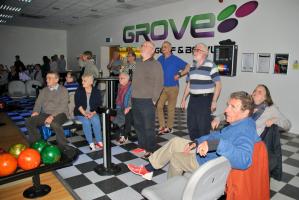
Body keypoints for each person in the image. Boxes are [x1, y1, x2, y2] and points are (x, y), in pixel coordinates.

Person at [127, 91, 260, 180]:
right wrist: (197, 142)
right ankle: (148, 169)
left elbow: (245, 161)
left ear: (246, 112)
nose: (226, 110)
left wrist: (217, 144)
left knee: (176, 158)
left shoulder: (246, 130)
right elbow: (215, 136)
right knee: (175, 142)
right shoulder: (239, 123)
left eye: (232, 107)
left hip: (207, 161)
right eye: (228, 106)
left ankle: (172, 192)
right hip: (207, 152)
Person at [212, 84, 291, 136]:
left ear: (265, 97)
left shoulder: (271, 109)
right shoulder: (248, 105)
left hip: (252, 141)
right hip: (237, 133)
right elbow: (230, 113)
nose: (255, 93)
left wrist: (275, 120)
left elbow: (287, 125)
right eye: (254, 91)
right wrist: (217, 118)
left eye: (259, 92)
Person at [181, 43, 222, 140]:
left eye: (197, 50)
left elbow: (218, 85)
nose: (194, 52)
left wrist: (214, 101)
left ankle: (203, 149)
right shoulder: (191, 66)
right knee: (191, 125)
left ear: (205, 53)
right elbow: (189, 84)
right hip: (193, 99)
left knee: (203, 127)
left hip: (205, 99)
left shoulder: (211, 65)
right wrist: (183, 99)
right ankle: (194, 146)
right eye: (194, 50)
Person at [131, 41, 163, 158]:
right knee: (138, 125)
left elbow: (159, 83)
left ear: (152, 50)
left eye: (145, 46)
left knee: (148, 127)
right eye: (142, 45)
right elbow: (129, 77)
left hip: (147, 100)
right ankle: (142, 146)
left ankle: (151, 149)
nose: (142, 47)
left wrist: (154, 99)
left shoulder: (156, 64)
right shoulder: (137, 63)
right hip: (135, 99)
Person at [25, 71, 69, 150]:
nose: (47, 80)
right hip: (46, 113)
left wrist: (52, 116)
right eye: (46, 78)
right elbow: (38, 103)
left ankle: (63, 146)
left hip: (61, 113)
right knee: (29, 121)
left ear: (56, 80)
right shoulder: (44, 90)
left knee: (54, 124)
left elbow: (63, 106)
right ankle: (37, 144)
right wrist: (36, 111)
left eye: (49, 78)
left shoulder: (63, 90)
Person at [157, 41, 190, 135]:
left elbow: (188, 66)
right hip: (163, 87)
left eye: (165, 46)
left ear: (170, 48)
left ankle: (170, 127)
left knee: (170, 108)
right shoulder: (160, 59)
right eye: (162, 47)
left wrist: (180, 74)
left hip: (173, 88)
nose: (163, 48)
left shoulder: (175, 59)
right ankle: (162, 126)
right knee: (159, 106)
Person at [74, 73, 103, 151]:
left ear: (91, 82)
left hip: (92, 112)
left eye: (84, 81)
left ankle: (99, 141)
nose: (82, 82)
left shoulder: (96, 91)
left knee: (96, 120)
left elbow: (98, 104)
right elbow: (78, 105)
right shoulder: (79, 90)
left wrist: (92, 113)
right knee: (86, 122)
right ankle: (90, 142)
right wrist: (85, 114)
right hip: (80, 113)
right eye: (82, 80)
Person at [112, 72, 133, 144]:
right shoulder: (119, 86)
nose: (119, 80)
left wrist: (128, 107)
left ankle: (124, 135)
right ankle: (121, 134)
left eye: (122, 78)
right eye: (119, 78)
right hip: (120, 105)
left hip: (130, 107)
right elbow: (119, 97)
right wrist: (118, 107)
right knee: (116, 115)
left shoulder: (131, 86)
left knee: (124, 116)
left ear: (127, 79)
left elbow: (132, 98)